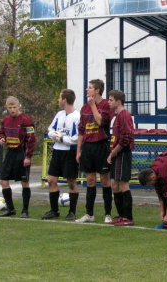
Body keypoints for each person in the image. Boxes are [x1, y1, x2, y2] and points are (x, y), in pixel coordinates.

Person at [75, 79, 114, 224]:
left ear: (97, 90)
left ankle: (107, 214)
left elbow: (100, 122)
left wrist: (93, 106)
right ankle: (89, 214)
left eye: (90, 88)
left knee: (105, 181)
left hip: (101, 146)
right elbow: (81, 131)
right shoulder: (84, 108)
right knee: (90, 180)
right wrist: (79, 151)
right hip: (88, 147)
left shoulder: (105, 105)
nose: (87, 90)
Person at [42, 89, 81, 220]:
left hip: (70, 152)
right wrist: (54, 135)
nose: (58, 100)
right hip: (57, 151)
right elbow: (50, 129)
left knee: (71, 182)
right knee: (51, 180)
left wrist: (62, 139)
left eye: (60, 98)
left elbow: (77, 137)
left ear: (64, 100)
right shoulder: (59, 114)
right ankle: (54, 210)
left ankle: (72, 212)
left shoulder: (77, 116)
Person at [0, 96, 36, 218]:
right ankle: (10, 208)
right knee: (3, 180)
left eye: (14, 107)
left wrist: (28, 156)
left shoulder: (26, 120)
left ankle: (25, 210)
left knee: (24, 182)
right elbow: (1, 132)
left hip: (22, 153)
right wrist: (1, 138)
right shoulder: (5, 120)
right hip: (10, 153)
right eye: (10, 108)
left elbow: (31, 138)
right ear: (6, 108)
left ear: (19, 106)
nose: (12, 110)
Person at [106, 90, 136, 226]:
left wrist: (114, 152)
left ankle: (128, 217)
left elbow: (126, 137)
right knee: (114, 183)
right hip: (117, 153)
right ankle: (121, 215)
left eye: (111, 100)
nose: (108, 102)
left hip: (122, 153)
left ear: (118, 102)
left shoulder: (124, 115)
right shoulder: (116, 116)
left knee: (123, 183)